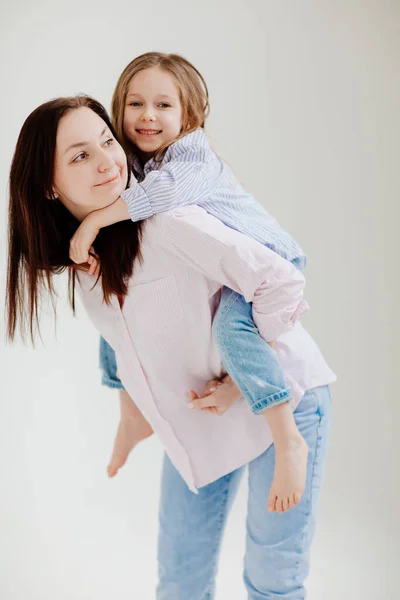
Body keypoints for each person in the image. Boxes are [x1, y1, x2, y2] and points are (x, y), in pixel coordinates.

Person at [6, 95, 336, 598]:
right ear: (49, 187)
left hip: (285, 396)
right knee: (180, 581)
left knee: (273, 579)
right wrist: (130, 413)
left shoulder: (170, 223)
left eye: (107, 142)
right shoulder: (88, 261)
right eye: (79, 156)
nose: (108, 161)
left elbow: (281, 280)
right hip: (200, 416)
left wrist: (240, 386)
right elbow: (122, 338)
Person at [69, 52, 313, 509]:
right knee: (120, 312)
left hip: (266, 263)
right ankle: (131, 414)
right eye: (136, 104)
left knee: (231, 330)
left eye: (164, 105)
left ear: (189, 117)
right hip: (227, 267)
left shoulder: (191, 156)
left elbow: (165, 195)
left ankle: (287, 436)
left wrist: (94, 223)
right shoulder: (135, 164)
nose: (148, 115)